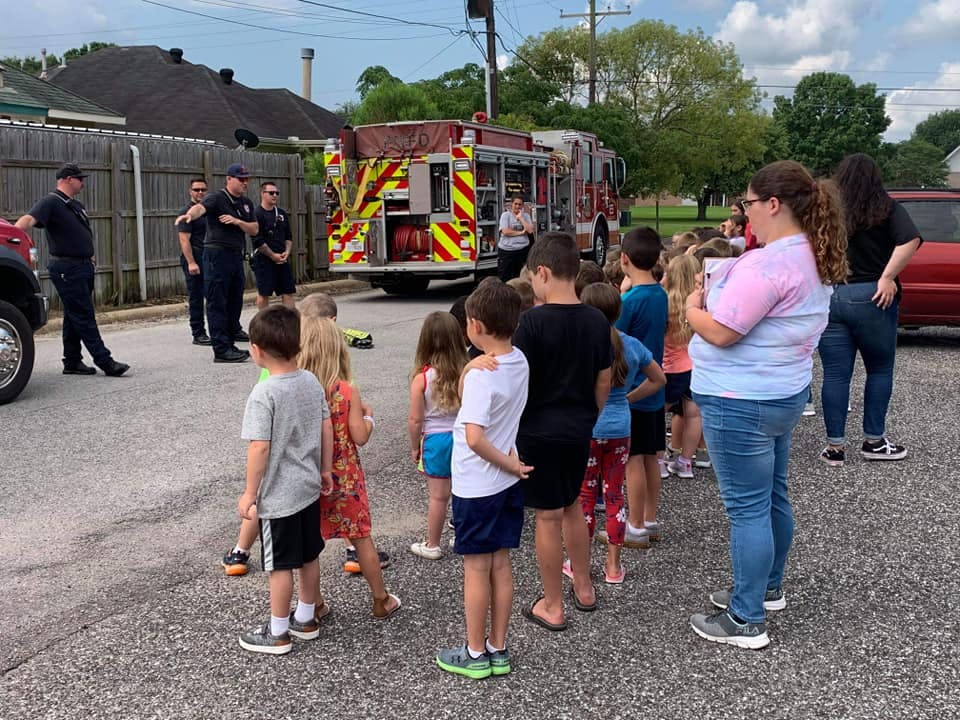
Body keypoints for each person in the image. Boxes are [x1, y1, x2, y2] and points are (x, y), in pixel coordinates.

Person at [686, 160, 847, 649]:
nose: (745, 213)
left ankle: (745, 617)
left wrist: (693, 306)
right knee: (772, 496)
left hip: (740, 399)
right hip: (781, 393)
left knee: (748, 508)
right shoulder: (813, 256)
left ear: (773, 204)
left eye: (749, 204)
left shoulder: (770, 263)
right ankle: (766, 587)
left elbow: (723, 330)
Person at [513, 232, 612, 631]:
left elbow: (517, 381)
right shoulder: (596, 321)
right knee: (574, 505)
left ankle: (552, 604)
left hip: (537, 431)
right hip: (578, 428)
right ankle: (584, 585)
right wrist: (591, 413)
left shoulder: (531, 324)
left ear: (542, 272)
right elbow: (603, 379)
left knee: (547, 516)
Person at [436, 277, 529, 679]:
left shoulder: (480, 376)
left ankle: (474, 654)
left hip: (478, 485)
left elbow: (473, 436)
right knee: (501, 565)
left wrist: (507, 464)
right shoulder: (519, 361)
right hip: (506, 486)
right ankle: (498, 647)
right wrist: (470, 366)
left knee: (475, 569)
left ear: (473, 324)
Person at [236, 305, 333, 655]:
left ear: (257, 351)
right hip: (309, 488)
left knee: (278, 565)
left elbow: (260, 448)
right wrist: (325, 469)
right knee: (309, 555)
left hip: (279, 497)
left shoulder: (264, 394)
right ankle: (305, 617)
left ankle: (277, 630)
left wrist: (250, 493)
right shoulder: (310, 381)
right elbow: (326, 426)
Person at [818, 153, 922, 467]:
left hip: (832, 294)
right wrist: (887, 276)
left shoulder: (828, 210)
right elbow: (910, 240)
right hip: (873, 297)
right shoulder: (887, 208)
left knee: (835, 375)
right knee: (879, 370)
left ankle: (835, 446)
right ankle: (873, 441)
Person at [305, 317, 400, 618]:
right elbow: (360, 436)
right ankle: (380, 599)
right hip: (344, 478)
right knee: (361, 537)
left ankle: (315, 604)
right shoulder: (346, 391)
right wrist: (369, 417)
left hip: (310, 477)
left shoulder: (303, 390)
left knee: (308, 546)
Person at [575, 282, 664, 584]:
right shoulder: (631, 345)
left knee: (585, 496)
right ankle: (613, 565)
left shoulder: (580, 344)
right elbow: (658, 378)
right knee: (614, 493)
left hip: (588, 427)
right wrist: (629, 398)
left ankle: (579, 563)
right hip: (620, 427)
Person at [15, 163, 129, 377]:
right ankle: (106, 362)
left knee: (73, 314)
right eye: (79, 178)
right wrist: (11, 238)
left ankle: (72, 361)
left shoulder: (74, 205)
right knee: (84, 315)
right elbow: (28, 220)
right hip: (67, 268)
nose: (83, 182)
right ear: (67, 179)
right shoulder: (51, 202)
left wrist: (89, 255)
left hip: (83, 265)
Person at [615, 227, 669, 549]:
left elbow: (615, 337)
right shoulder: (660, 294)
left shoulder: (630, 301)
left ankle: (633, 525)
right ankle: (649, 519)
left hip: (632, 391)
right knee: (651, 456)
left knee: (632, 459)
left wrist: (621, 296)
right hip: (655, 388)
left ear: (624, 259)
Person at [174, 163, 258, 363]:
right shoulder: (217, 197)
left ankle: (229, 342)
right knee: (217, 301)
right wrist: (189, 215)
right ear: (229, 179)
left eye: (246, 179)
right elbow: (200, 208)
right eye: (240, 179)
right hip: (216, 254)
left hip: (236, 255)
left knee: (234, 300)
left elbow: (254, 229)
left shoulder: (245, 203)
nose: (244, 183)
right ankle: (221, 349)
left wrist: (237, 222)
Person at [408, 312, 469, 560]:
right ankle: (464, 536)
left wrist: (414, 447)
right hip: (464, 437)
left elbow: (415, 420)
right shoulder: (467, 372)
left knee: (438, 496)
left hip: (435, 440)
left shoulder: (422, 379)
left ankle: (432, 544)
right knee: (464, 491)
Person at [662, 254, 703, 479]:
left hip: (670, 367)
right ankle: (686, 461)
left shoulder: (666, 302)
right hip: (695, 366)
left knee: (658, 414)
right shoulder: (700, 303)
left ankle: (658, 460)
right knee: (694, 415)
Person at [252, 181, 296, 310]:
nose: (275, 195)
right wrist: (272, 256)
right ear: (262, 194)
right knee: (264, 293)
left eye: (277, 193)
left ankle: (290, 322)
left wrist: (287, 252)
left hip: (282, 259)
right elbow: (257, 240)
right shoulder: (256, 214)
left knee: (287, 292)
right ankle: (263, 323)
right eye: (271, 193)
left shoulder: (281, 213)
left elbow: (288, 236)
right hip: (264, 259)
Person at [176, 178, 210, 345]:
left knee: (214, 295)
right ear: (190, 192)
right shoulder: (186, 212)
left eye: (203, 190)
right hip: (194, 258)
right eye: (196, 190)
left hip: (209, 258)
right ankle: (198, 333)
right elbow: (184, 240)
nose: (200, 193)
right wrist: (191, 262)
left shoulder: (207, 211)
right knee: (196, 297)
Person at [497, 195, 534, 281]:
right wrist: (521, 232)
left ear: (523, 205)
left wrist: (520, 218)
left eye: (520, 204)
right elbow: (505, 231)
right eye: (515, 204)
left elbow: (530, 230)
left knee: (521, 276)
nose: (517, 206)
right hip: (507, 251)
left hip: (522, 250)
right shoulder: (505, 215)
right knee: (505, 278)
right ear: (511, 204)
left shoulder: (526, 216)